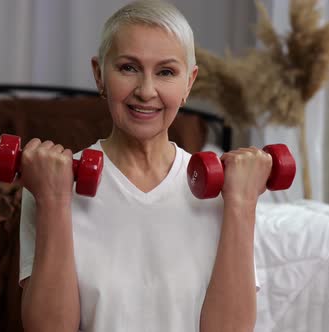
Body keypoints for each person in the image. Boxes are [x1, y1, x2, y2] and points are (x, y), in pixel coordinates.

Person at [18, 1, 271, 331]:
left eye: (166, 72)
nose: (146, 91)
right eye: (128, 68)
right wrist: (53, 202)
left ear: (188, 84)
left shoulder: (230, 191)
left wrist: (242, 204)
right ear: (99, 75)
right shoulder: (52, 183)